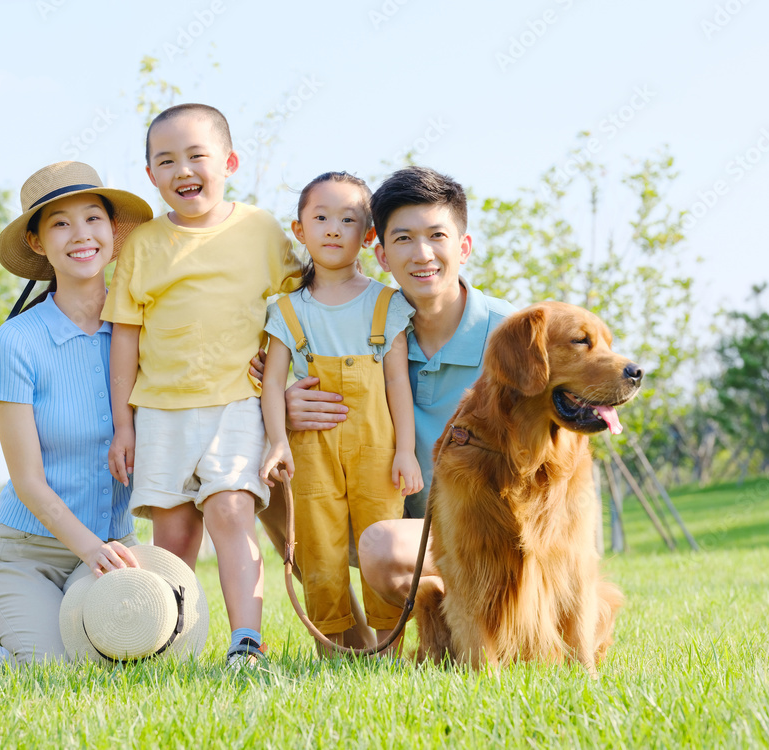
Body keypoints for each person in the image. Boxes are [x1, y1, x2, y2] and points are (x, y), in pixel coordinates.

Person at [257, 166, 516, 628]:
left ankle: (463, 624)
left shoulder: (509, 335)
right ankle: (348, 644)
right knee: (275, 487)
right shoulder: (369, 327)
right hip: (406, 513)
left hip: (494, 528)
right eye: (403, 239)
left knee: (383, 547)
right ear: (380, 252)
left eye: (437, 235)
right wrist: (289, 406)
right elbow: (283, 377)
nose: (422, 254)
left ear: (464, 246)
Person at [101, 103, 302, 666]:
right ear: (151, 177)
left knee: (232, 509)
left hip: (239, 399)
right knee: (175, 531)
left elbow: (296, 308)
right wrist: (123, 423)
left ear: (230, 162)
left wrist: (284, 368)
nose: (183, 170)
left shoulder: (259, 229)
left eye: (197, 156)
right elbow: (125, 337)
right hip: (161, 408)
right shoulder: (143, 243)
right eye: (166, 161)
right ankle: (172, 638)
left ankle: (247, 642)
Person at [0, 161, 154, 666]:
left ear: (113, 232)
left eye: (93, 218)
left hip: (108, 549)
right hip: (23, 557)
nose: (81, 235)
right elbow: (27, 481)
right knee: (59, 671)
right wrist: (92, 550)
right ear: (37, 243)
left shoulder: (145, 329)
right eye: (60, 223)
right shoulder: (17, 341)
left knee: (125, 655)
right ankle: (23, 648)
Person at [259, 171, 422, 650]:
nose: (333, 229)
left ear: (368, 235)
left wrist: (406, 452)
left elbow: (397, 384)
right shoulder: (287, 310)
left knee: (380, 528)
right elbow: (272, 384)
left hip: (379, 447)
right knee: (317, 539)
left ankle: (390, 645)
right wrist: (277, 442)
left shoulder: (386, 303)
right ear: (299, 230)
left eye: (348, 219)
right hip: (313, 450)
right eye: (321, 217)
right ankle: (333, 648)